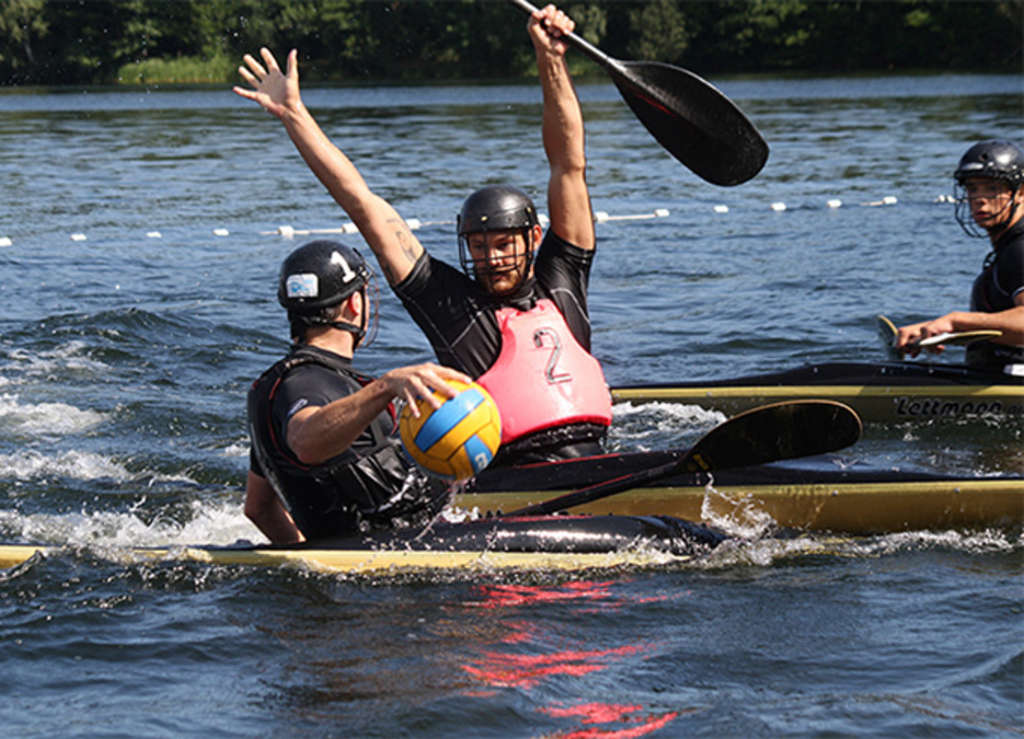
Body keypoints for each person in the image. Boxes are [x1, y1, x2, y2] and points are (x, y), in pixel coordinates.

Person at [233, 3, 612, 467]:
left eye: (503, 245)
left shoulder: (564, 278)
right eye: (478, 246)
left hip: (600, 461)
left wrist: (550, 59)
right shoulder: (452, 307)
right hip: (520, 482)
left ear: (533, 238)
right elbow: (364, 205)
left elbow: (568, 165)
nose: (491, 258)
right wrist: (295, 116)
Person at [245, 239, 472, 544]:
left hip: (374, 552)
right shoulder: (306, 383)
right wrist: (386, 386)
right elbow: (305, 441)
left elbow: (258, 508)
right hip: (402, 563)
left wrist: (310, 555)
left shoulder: (272, 388)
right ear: (355, 303)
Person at [895, 139, 1024, 369]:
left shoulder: (1019, 250)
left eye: (992, 188)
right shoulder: (1008, 249)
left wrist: (957, 322)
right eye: (972, 189)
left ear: (1020, 193)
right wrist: (937, 331)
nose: (979, 199)